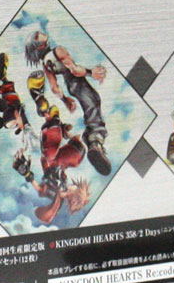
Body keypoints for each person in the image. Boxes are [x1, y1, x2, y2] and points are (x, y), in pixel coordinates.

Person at [24, 30, 110, 175]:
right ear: (38, 45)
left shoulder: (46, 64)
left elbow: (54, 88)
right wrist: (91, 72)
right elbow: (75, 70)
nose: (41, 33)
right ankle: (95, 140)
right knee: (93, 104)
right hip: (77, 82)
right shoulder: (58, 51)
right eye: (38, 36)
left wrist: (65, 99)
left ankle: (92, 139)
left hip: (71, 86)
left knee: (92, 103)